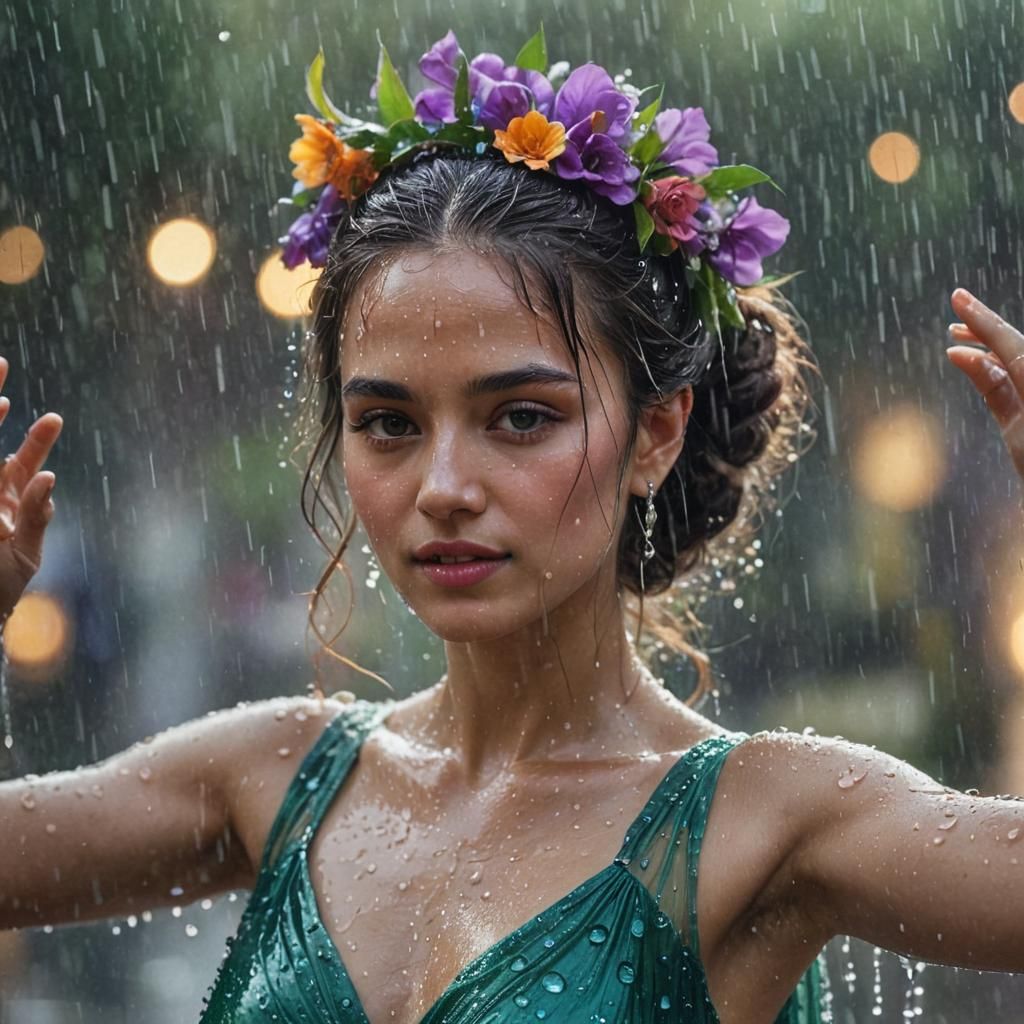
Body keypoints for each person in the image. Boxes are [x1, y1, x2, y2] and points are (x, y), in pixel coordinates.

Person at [2, 28, 1023, 1024]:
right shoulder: (271, 775)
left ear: (657, 431)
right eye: (389, 423)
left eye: (521, 416)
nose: (443, 484)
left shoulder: (772, 820)